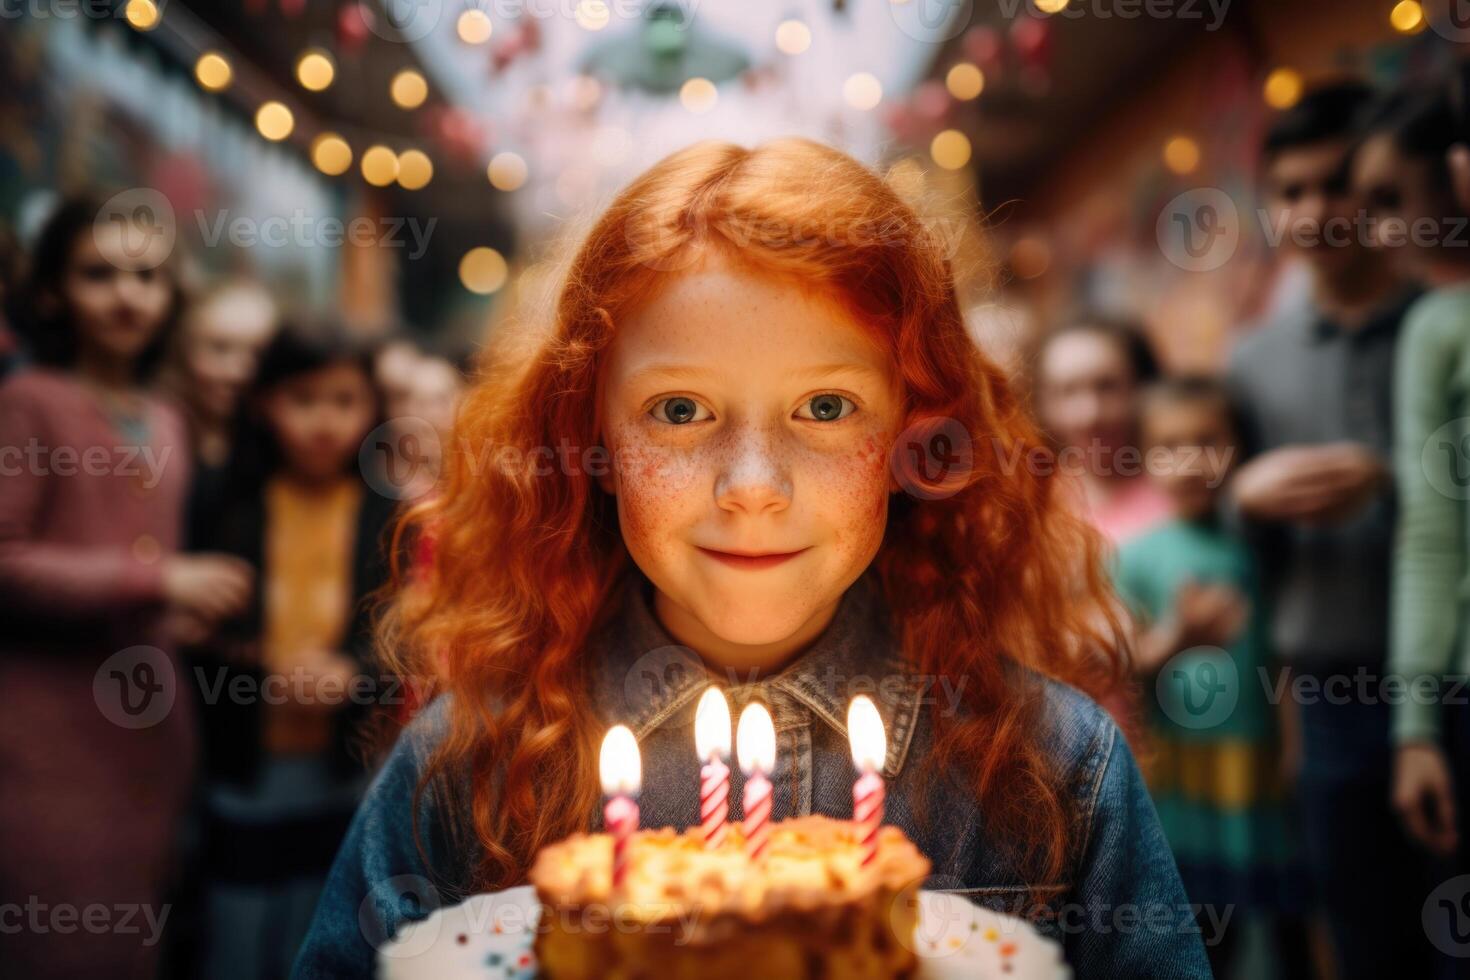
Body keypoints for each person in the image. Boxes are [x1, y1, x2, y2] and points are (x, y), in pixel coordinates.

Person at [292, 138, 1209, 978]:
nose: (754, 486)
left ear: (913, 436)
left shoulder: (1055, 768)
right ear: (593, 440)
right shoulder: (464, 765)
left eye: (826, 407)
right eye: (681, 411)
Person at [0, 196, 252, 978]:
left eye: (146, 275)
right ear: (52, 292)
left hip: (153, 737)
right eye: (98, 273)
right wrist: (158, 577)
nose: (126, 295)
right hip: (46, 741)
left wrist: (186, 613)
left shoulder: (164, 416)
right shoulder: (29, 403)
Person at [1225, 81, 1430, 977]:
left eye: (1337, 184)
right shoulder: (1252, 360)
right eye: (1291, 192)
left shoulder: (1438, 318)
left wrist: (1393, 478)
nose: (1314, 212)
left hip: (1448, 672)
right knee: (1361, 930)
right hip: (1327, 693)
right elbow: (1231, 542)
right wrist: (1245, 499)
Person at [190, 320, 398, 980]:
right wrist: (252, 662)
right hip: (246, 752)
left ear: (372, 407)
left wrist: (354, 672)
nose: (324, 422)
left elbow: (406, 633)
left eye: (344, 401)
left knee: (325, 921)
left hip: (343, 758)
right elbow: (198, 627)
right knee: (238, 923)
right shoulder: (227, 498)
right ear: (264, 403)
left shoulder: (384, 510)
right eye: (303, 400)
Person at [1114, 377, 1306, 979]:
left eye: (1207, 441)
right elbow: (1121, 663)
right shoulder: (1135, 556)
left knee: (1277, 921)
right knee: (1198, 921)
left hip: (1252, 763)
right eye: (1167, 446)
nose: (1189, 460)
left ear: (1238, 449)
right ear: (1143, 457)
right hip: (1179, 769)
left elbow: (1283, 657)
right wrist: (1177, 639)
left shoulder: (1258, 549)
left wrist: (1293, 743)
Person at [1354, 74, 1470, 886]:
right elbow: (1431, 534)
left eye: (1390, 199)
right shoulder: (1434, 326)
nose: (1375, 229)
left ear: (1457, 176)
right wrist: (1416, 728)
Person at [1034, 315, 1172, 547]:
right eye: (1068, 392)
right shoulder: (1032, 503)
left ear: (1144, 390)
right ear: (1044, 404)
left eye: (1107, 387)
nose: (1090, 414)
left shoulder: (1184, 495)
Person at [162, 279, 279, 551]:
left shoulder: (284, 445)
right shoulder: (156, 436)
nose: (238, 371)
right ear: (183, 352)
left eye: (258, 354)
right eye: (219, 349)